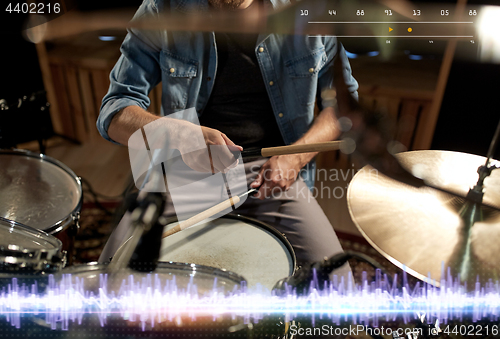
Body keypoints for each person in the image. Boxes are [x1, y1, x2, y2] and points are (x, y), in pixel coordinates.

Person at [96, 0, 359, 279]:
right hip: (186, 170)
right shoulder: (162, 9)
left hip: (271, 174)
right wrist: (180, 135)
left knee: (337, 280)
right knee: (111, 273)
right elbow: (114, 112)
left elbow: (344, 107)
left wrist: (295, 157)